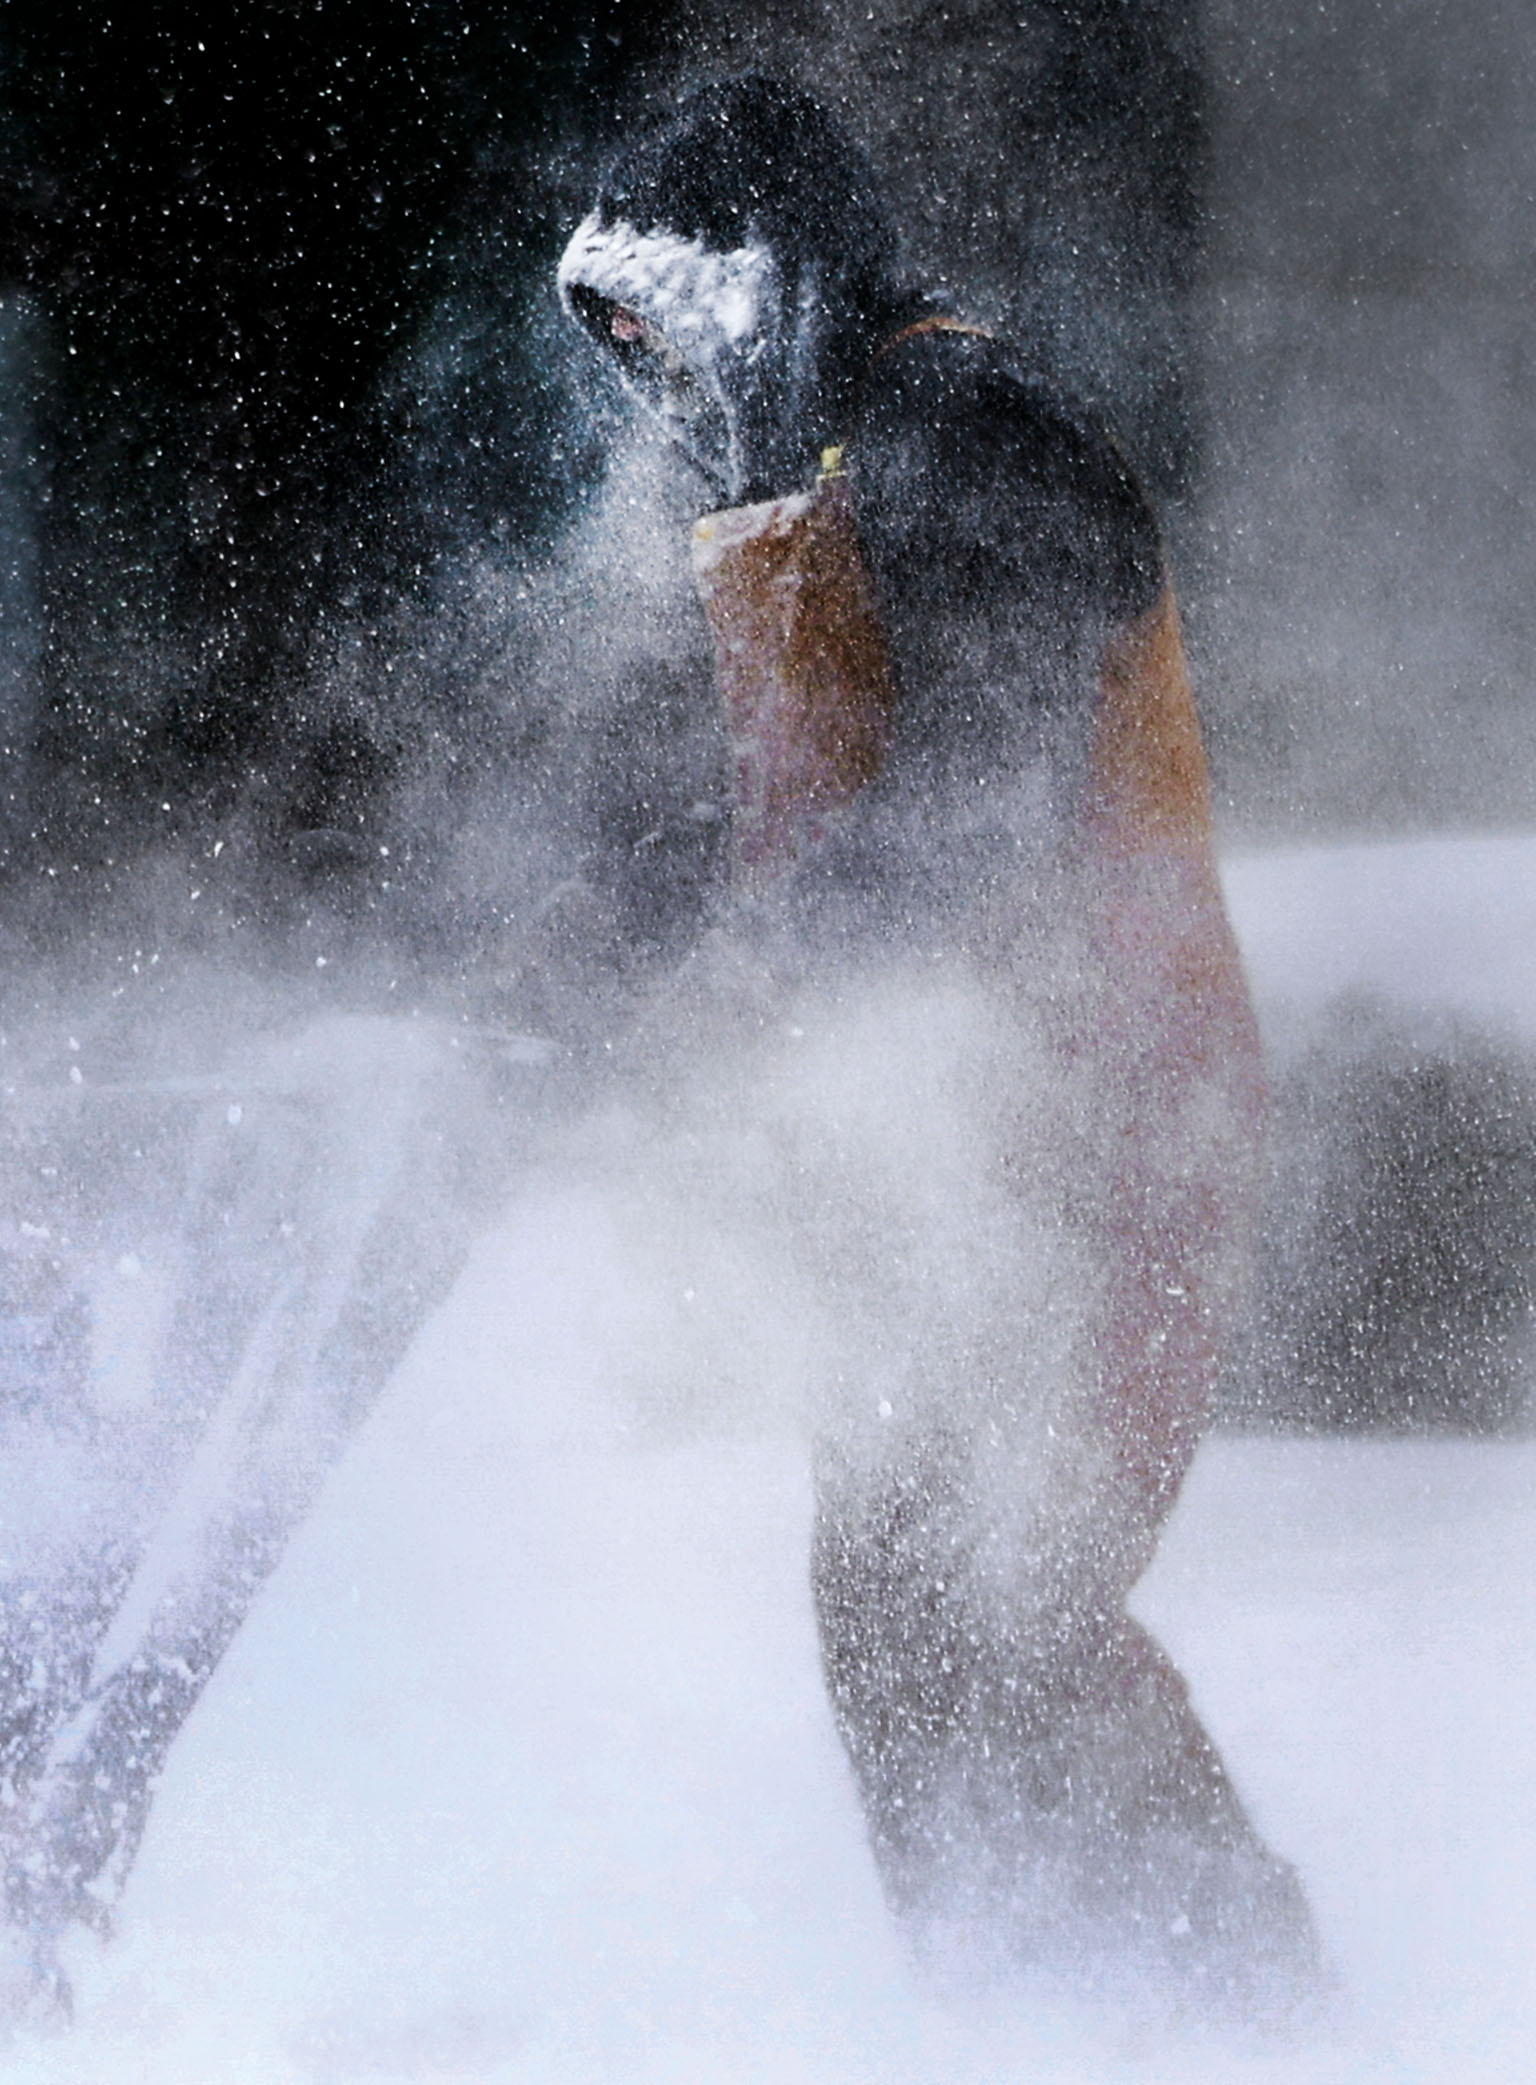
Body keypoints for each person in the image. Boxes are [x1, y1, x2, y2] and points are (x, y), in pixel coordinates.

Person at [554, 77, 1320, 2006]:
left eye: (678, 318)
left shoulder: (977, 436)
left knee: (1007, 1599)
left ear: (780, 275)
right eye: (623, 340)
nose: (658, 375)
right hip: (947, 1149)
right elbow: (736, 805)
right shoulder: (801, 477)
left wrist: (748, 985)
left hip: (1110, 1125)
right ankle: (1033, 2005)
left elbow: (979, 802)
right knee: (908, 1612)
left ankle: (1228, 2016)